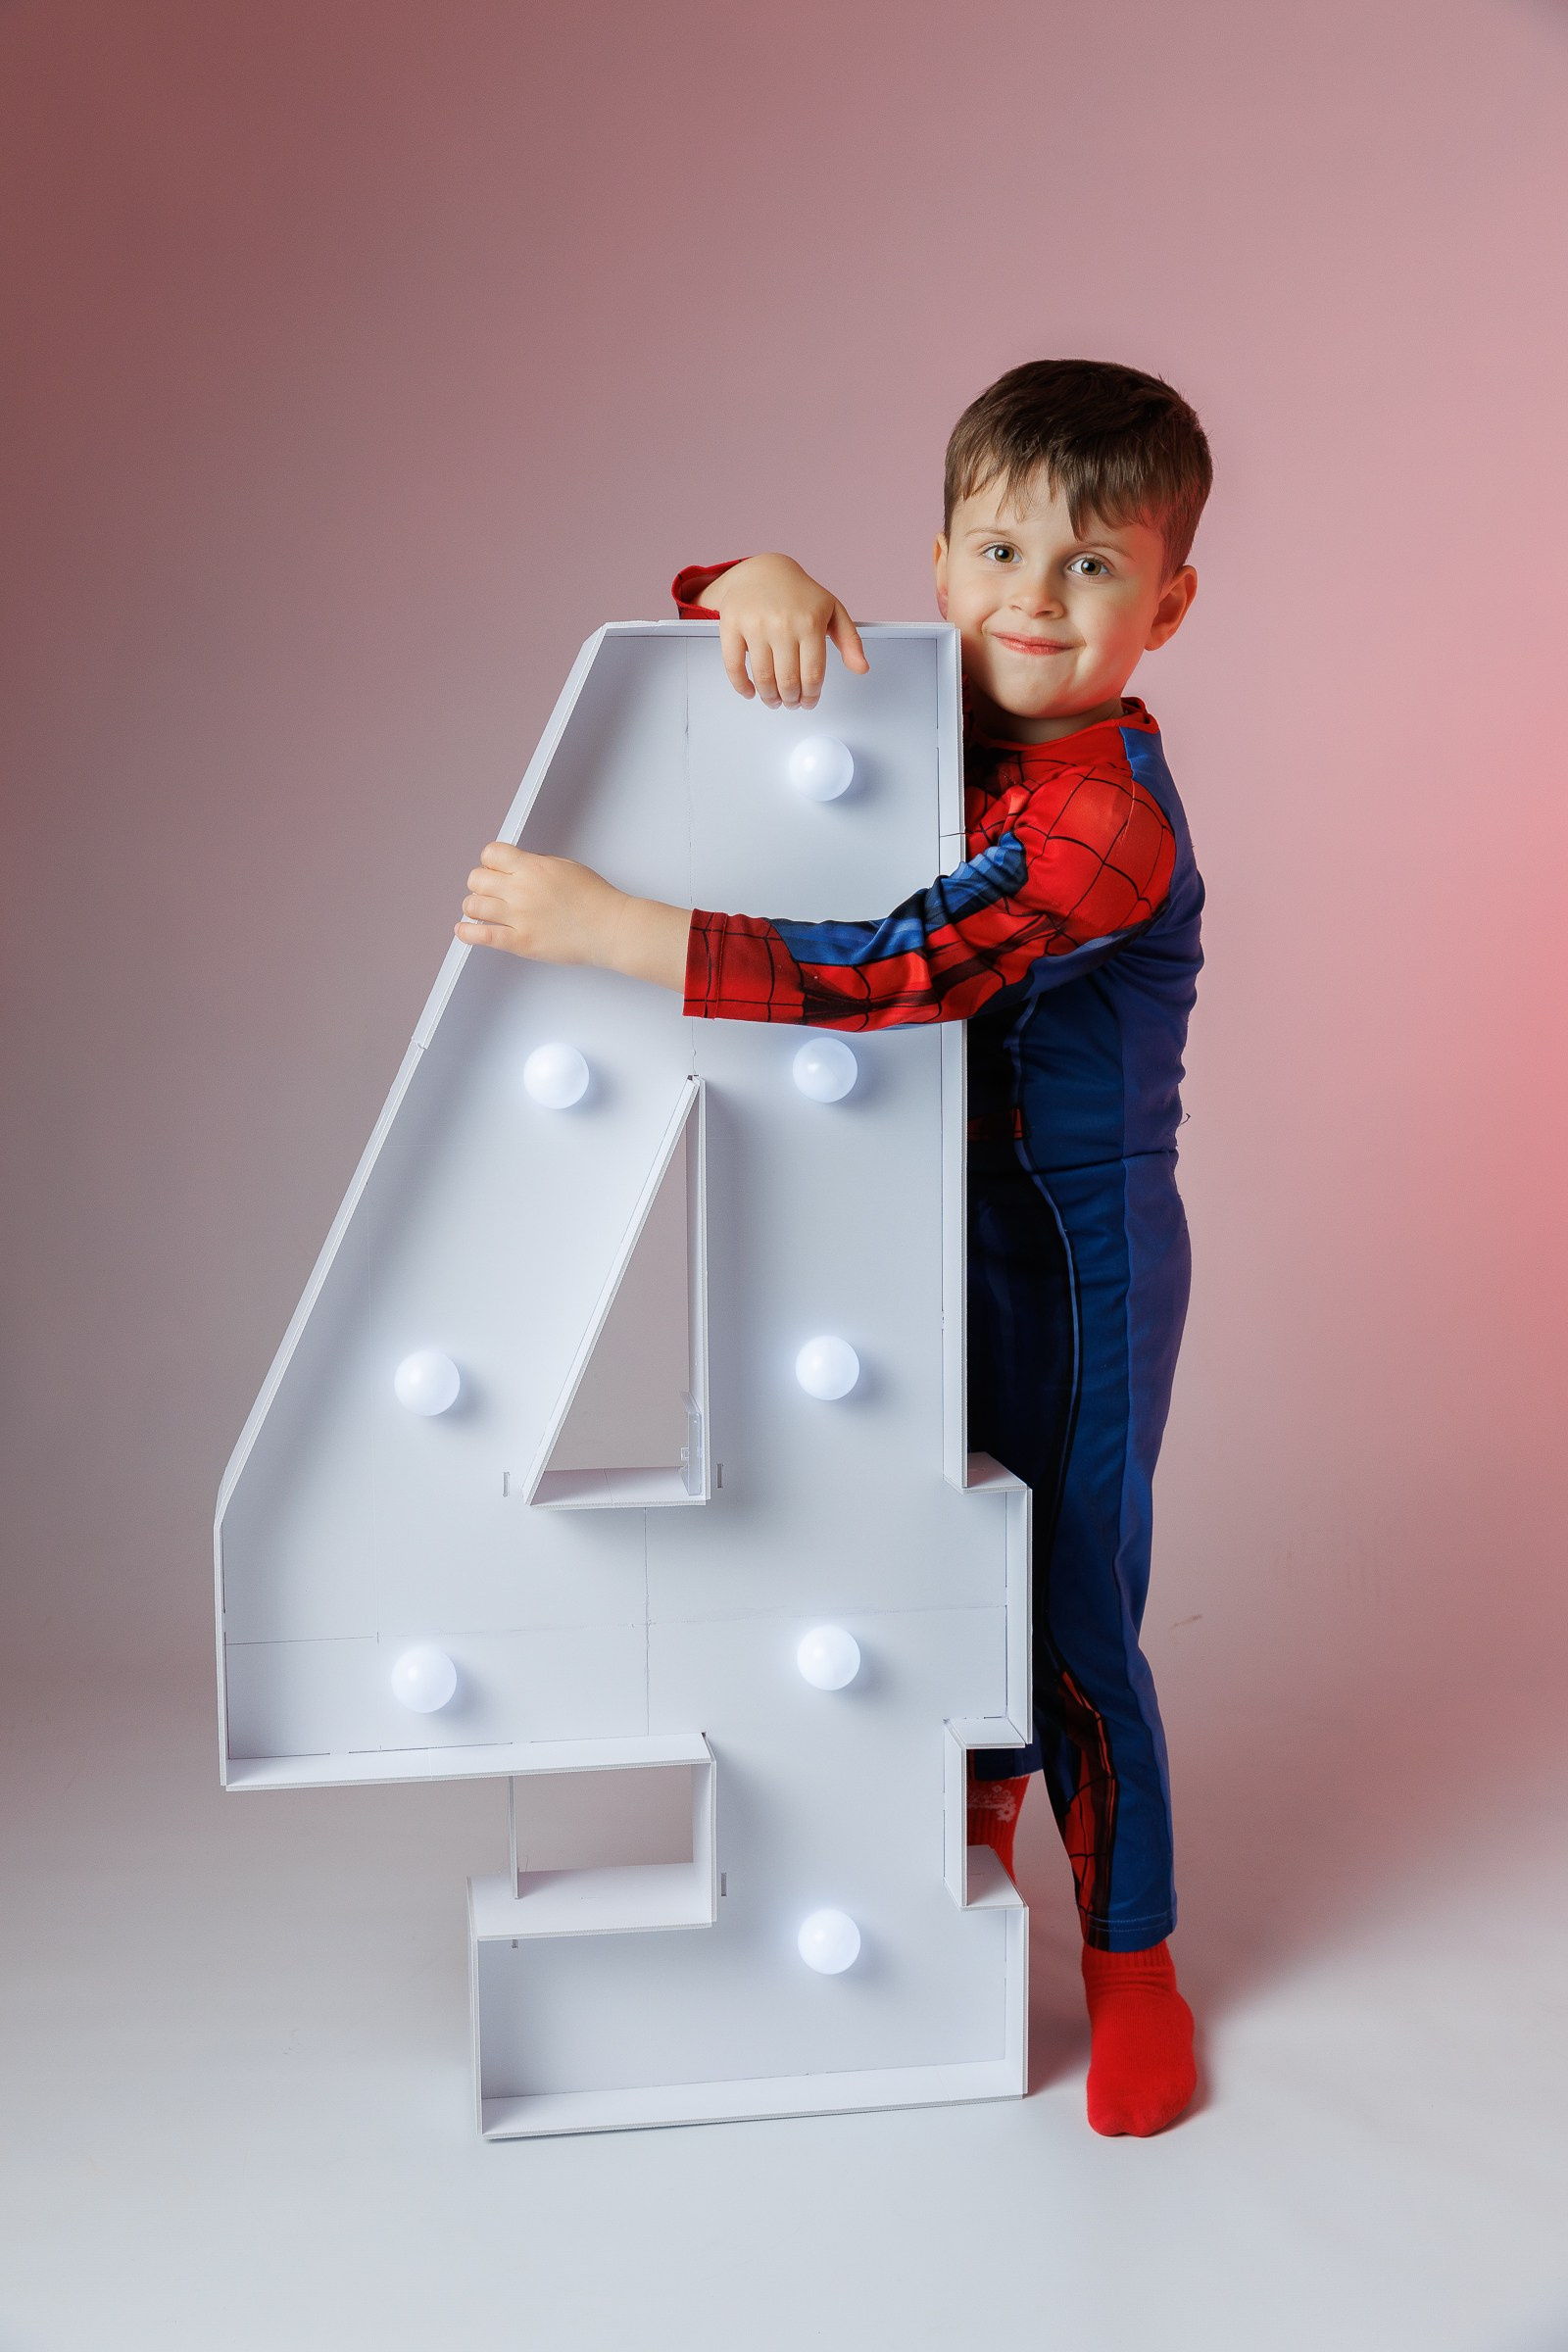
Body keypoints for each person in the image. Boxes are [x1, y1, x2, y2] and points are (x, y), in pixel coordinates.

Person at [455, 359, 1209, 2136]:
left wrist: (621, 933)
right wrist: (752, 580)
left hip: (1077, 1256)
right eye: (999, 551)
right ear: (938, 563)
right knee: (912, 1541)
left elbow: (895, 970)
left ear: (1167, 607)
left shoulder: (1106, 816)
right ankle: (955, 1837)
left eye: (1095, 566)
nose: (1037, 598)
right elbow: (773, 683)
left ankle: (1135, 1963)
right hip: (913, 1224)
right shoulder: (935, 705)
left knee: (1073, 1613)